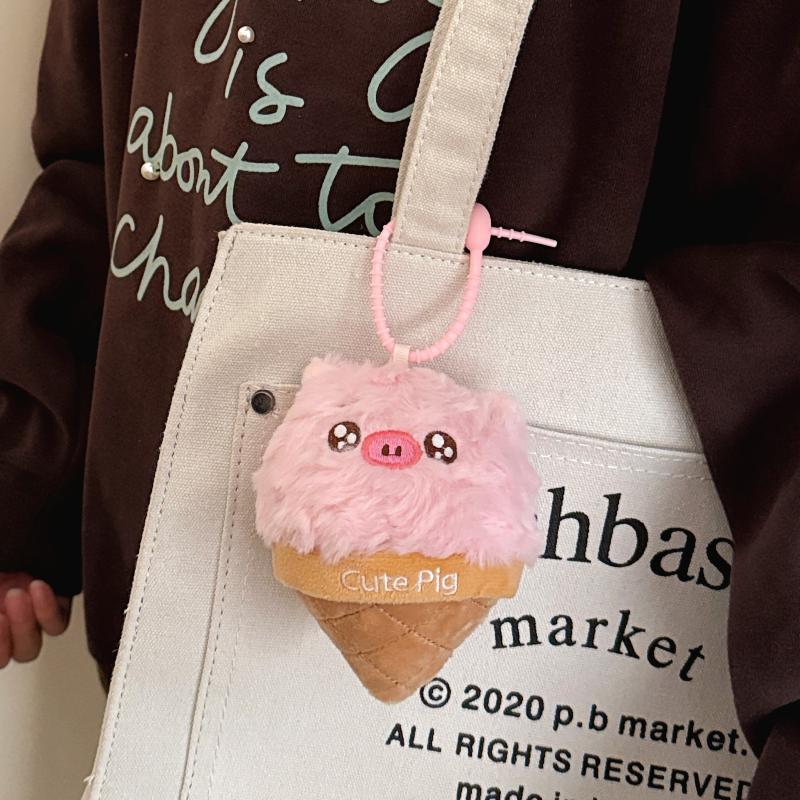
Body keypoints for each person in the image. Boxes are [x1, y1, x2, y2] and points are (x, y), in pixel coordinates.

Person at [0, 1, 797, 795]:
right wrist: (24, 477)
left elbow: (772, 292)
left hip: (539, 708)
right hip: (175, 634)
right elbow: (101, 160)